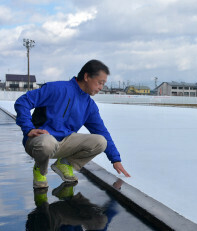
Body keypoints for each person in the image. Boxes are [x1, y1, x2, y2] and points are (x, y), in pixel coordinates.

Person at [15, 59, 130, 188]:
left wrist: (115, 159)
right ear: (86, 76)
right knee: (47, 142)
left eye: (103, 84)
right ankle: (40, 171)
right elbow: (22, 102)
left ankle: (65, 164)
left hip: (64, 142)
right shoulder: (56, 89)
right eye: (99, 83)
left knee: (100, 141)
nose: (100, 88)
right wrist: (28, 128)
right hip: (39, 141)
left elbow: (101, 131)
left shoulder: (89, 105)